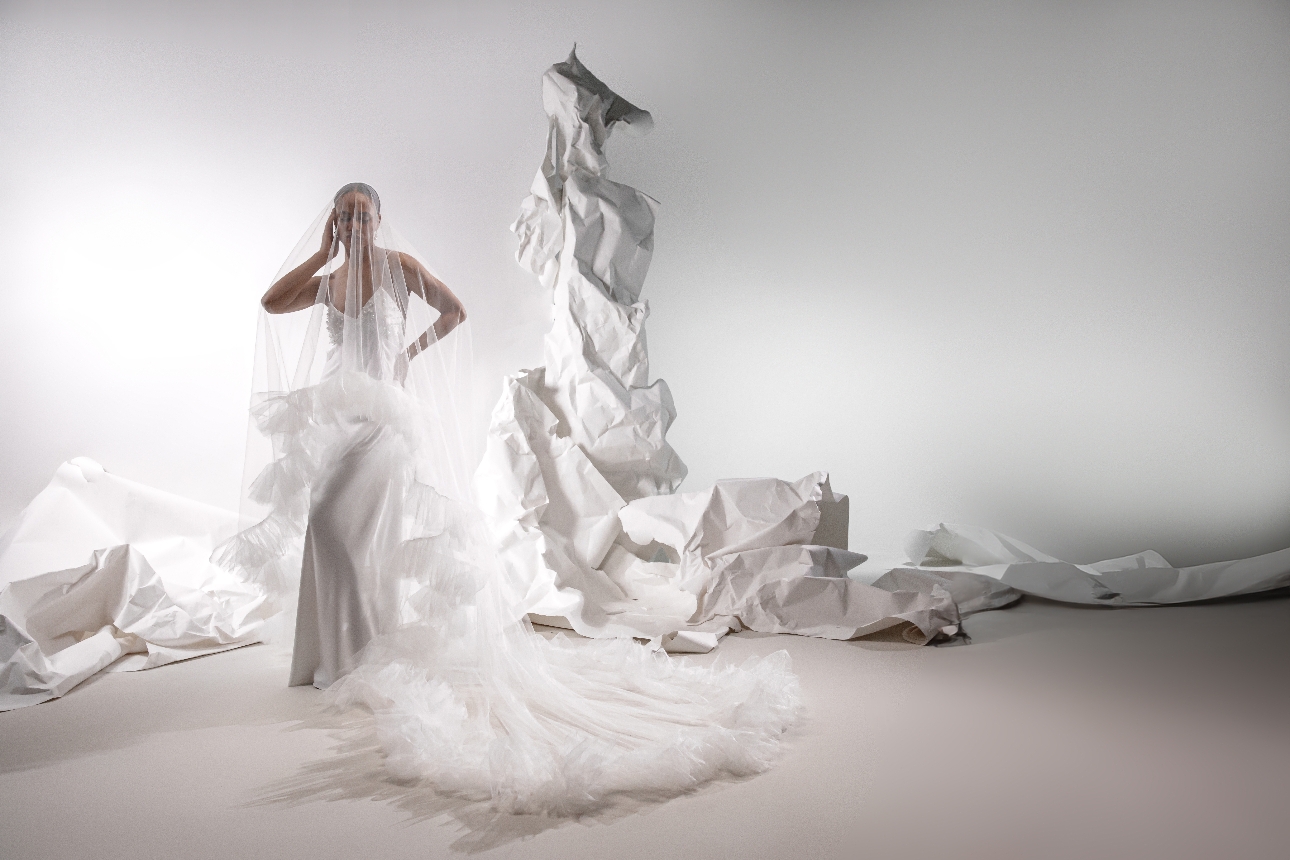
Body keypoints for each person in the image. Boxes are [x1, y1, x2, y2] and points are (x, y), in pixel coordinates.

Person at [214, 185, 801, 815]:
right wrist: (324, 252)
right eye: (344, 212)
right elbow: (272, 303)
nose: (354, 220)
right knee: (328, 529)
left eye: (362, 211)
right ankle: (334, 656)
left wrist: (407, 357)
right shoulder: (327, 282)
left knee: (343, 528)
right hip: (340, 416)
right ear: (335, 219)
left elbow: (453, 311)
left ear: (380, 217)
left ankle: (355, 657)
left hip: (384, 421)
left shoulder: (397, 268)